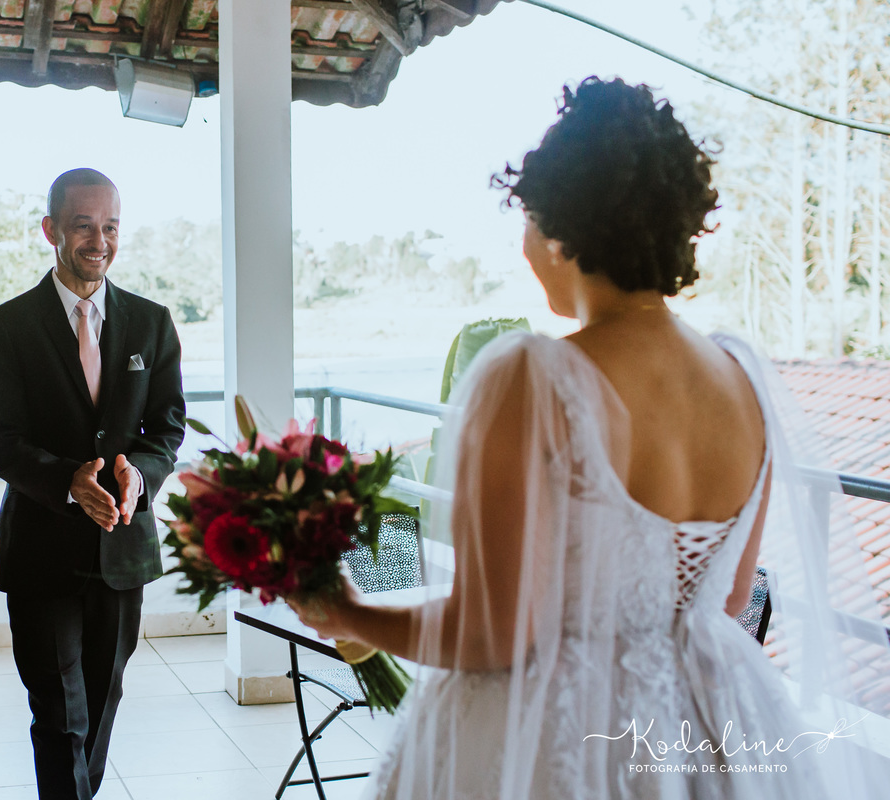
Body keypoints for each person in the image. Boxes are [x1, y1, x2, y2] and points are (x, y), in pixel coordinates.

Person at [290, 78, 890, 798]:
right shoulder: (743, 378)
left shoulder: (533, 376)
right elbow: (730, 598)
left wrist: (349, 612)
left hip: (552, 738)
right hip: (709, 723)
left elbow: (492, 633)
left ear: (557, 226)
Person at [0, 168, 185, 799]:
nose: (99, 240)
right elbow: (1, 437)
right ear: (51, 231)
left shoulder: (151, 322)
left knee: (100, 702)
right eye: (83, 226)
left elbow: (167, 426)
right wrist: (69, 482)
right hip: (41, 551)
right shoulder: (8, 325)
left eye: (110, 226)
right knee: (59, 713)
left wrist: (137, 477)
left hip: (122, 548)